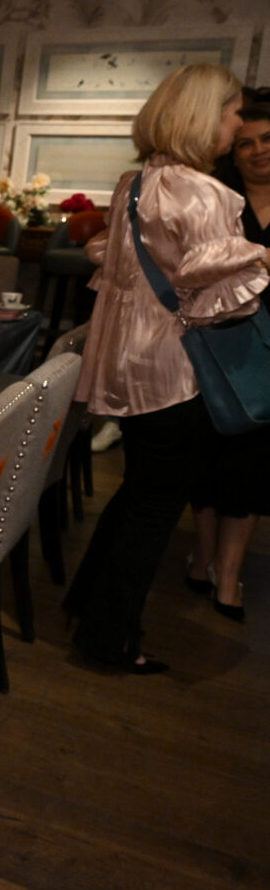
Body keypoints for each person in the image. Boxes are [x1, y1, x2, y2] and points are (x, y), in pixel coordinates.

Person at [65, 66, 270, 670]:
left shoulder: (136, 182)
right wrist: (262, 254)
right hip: (177, 373)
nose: (238, 124)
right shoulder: (205, 192)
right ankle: (109, 642)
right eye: (234, 112)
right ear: (207, 117)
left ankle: (89, 608)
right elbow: (217, 293)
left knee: (137, 496)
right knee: (153, 510)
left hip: (130, 368)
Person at [186, 89, 270, 621]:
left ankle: (230, 575)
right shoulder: (217, 198)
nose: (259, 150)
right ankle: (203, 555)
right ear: (232, 152)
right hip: (220, 346)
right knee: (207, 458)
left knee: (255, 464)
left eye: (268, 140)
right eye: (246, 143)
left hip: (269, 354)